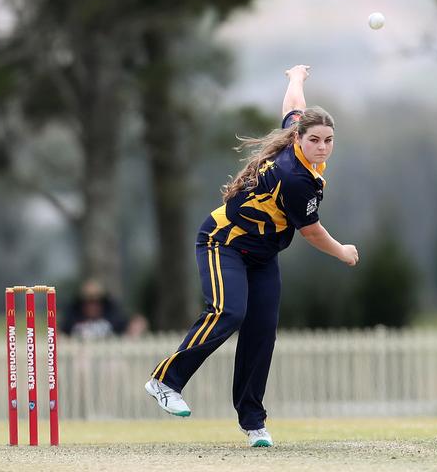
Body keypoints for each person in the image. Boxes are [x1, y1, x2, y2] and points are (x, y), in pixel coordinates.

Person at [145, 64, 359, 447]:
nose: (322, 147)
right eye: (315, 140)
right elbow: (310, 231)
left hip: (261, 255)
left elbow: (295, 106)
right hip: (222, 242)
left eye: (328, 140)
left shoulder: (298, 138)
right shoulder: (295, 177)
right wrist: (342, 252)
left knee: (260, 332)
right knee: (229, 312)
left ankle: (253, 423)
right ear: (299, 138)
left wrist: (295, 79)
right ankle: (165, 381)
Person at [61, 279, 147, 340]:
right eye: (88, 302)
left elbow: (131, 325)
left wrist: (136, 326)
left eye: (97, 301)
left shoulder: (112, 317)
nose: (92, 306)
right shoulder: (73, 318)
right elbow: (61, 334)